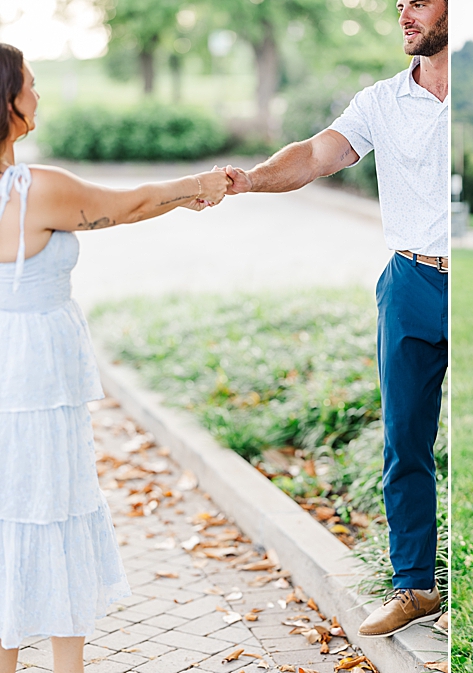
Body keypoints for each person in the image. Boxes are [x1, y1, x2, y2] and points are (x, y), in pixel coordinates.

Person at [219, 0, 448, 638]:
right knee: (406, 440)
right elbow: (317, 155)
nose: (405, 12)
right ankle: (414, 587)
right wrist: (250, 179)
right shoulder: (381, 101)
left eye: (420, 1)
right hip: (409, 280)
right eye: (399, 2)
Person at [0, 44, 231, 673]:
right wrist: (198, 185)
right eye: (31, 83)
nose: (38, 93)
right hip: (33, 378)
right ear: (8, 102)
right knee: (49, 506)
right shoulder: (34, 188)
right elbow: (125, 206)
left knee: (9, 515)